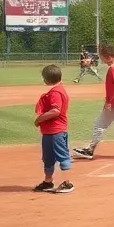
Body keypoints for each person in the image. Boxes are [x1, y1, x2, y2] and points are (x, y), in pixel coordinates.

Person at [33, 64, 74, 194]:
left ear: (47, 79)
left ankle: (67, 183)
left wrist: (39, 119)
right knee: (48, 158)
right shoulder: (56, 90)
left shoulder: (56, 92)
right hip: (49, 131)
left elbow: (56, 111)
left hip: (57, 130)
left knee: (62, 156)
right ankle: (48, 181)